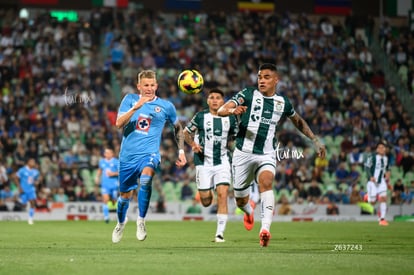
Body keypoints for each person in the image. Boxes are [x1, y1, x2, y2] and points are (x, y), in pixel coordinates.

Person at [217, 63, 326, 247]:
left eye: (267, 77)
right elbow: (221, 110)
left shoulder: (283, 102)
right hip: (243, 154)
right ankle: (249, 211)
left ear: (276, 80)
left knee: (266, 183)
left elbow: (298, 121)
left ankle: (265, 230)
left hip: (266, 154)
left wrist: (314, 140)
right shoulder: (248, 94)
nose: (261, 80)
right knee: (240, 199)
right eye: (260, 77)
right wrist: (232, 110)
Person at [112, 70, 187, 243]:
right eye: (146, 85)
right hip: (127, 156)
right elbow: (118, 124)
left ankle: (141, 221)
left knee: (146, 179)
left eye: (152, 85)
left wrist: (181, 151)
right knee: (125, 196)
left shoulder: (166, 106)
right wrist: (136, 107)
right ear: (139, 86)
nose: (149, 88)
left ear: (156, 86)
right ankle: (120, 223)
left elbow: (178, 128)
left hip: (150, 153)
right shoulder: (129, 99)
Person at [183, 88, 238, 242]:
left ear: (223, 101)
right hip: (203, 162)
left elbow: (236, 137)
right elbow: (186, 133)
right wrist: (193, 144)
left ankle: (219, 234)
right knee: (206, 201)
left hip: (222, 161)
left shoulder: (231, 118)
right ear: (208, 101)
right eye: (211, 97)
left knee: (223, 195)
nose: (214, 100)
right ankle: (208, 190)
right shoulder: (201, 116)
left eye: (218, 98)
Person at [364, 140, 391, 226]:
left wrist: (388, 175)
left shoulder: (386, 158)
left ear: (385, 149)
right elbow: (367, 168)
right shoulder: (372, 157)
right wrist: (370, 176)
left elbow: (387, 168)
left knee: (384, 198)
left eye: (383, 147)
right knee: (372, 202)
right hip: (372, 181)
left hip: (381, 182)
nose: (381, 149)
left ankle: (382, 219)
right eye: (379, 147)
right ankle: (368, 197)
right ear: (377, 149)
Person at [95, 148, 119, 223]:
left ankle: (120, 216)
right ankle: (106, 217)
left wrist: (113, 174)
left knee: (114, 200)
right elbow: (100, 170)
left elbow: (121, 172)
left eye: (108, 152)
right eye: (105, 152)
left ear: (112, 154)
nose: (106, 154)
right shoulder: (102, 161)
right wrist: (97, 177)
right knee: (105, 200)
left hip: (114, 184)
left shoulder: (116, 162)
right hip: (105, 184)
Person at [14, 158, 40, 225]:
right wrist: (19, 188)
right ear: (28, 162)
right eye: (31, 161)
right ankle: (17, 201)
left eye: (34, 162)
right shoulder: (22, 170)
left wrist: (36, 182)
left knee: (33, 203)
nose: (33, 163)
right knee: (24, 205)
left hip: (31, 189)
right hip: (23, 189)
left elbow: (36, 180)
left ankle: (30, 219)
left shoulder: (36, 171)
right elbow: (16, 178)